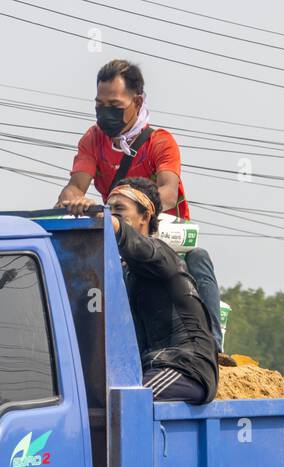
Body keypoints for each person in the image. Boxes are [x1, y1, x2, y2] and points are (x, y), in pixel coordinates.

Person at [55, 58, 224, 347]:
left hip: (159, 235)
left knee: (198, 258)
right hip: (118, 233)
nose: (105, 112)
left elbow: (168, 192)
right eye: (99, 105)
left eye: (115, 106)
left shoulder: (159, 143)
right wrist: (73, 201)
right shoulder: (93, 140)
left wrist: (134, 203)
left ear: (138, 101)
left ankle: (213, 345)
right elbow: (75, 185)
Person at [100, 177, 217, 404]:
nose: (111, 214)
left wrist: (107, 221)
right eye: (108, 209)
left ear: (145, 216)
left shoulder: (160, 255)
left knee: (129, 403)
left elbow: (137, 244)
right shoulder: (126, 272)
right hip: (153, 365)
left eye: (119, 209)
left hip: (185, 366)